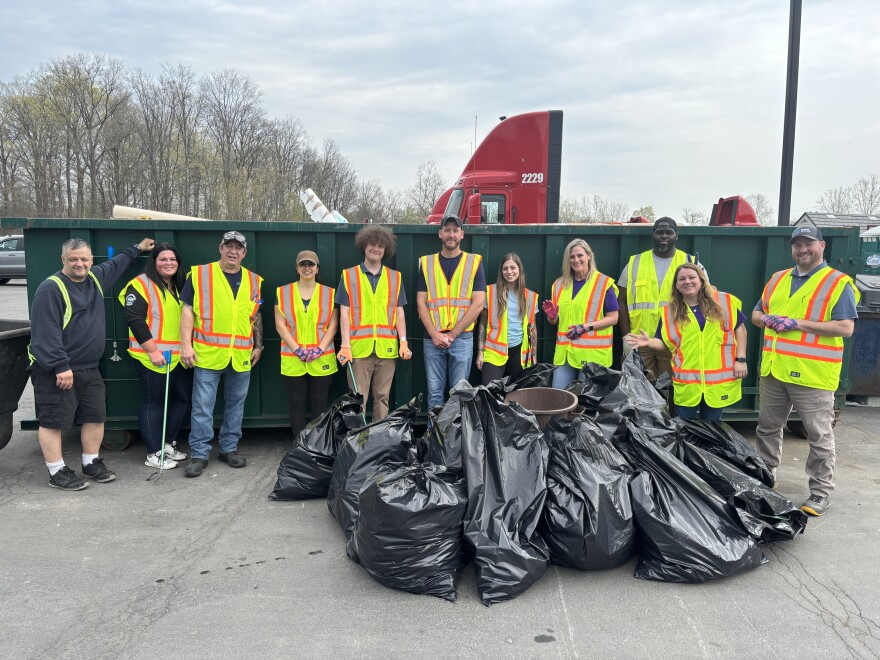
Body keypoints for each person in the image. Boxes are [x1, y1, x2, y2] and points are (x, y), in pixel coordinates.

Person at [28, 237, 155, 490]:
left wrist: (137, 248)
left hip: (89, 367)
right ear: (63, 259)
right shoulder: (50, 289)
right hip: (57, 369)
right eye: (73, 258)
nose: (79, 263)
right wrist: (60, 366)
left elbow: (117, 264)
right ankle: (57, 472)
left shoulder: (95, 278)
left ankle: (91, 463)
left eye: (84, 259)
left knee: (95, 416)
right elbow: (45, 334)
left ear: (91, 260)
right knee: (53, 420)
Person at [752, 225, 859, 517]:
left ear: (822, 246)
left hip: (812, 374)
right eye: (797, 245)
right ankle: (765, 479)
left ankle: (821, 492)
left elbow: (845, 327)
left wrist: (797, 323)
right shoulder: (777, 279)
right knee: (767, 429)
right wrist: (768, 319)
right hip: (775, 370)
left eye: (808, 244)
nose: (802, 250)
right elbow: (756, 314)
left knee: (818, 435)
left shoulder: (837, 283)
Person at [179, 231, 264, 478]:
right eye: (229, 246)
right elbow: (187, 311)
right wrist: (186, 345)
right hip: (207, 353)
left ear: (244, 253)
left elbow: (255, 315)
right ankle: (199, 454)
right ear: (221, 248)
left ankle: (228, 449)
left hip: (240, 355)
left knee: (236, 405)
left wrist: (258, 345)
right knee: (202, 406)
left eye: (238, 248)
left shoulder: (254, 280)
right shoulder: (200, 275)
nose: (233, 251)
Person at [625, 263, 748, 420]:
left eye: (692, 277)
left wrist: (741, 360)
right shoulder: (670, 311)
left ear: (701, 280)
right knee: (684, 430)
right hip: (688, 383)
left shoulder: (723, 302)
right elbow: (664, 343)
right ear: (676, 285)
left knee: (712, 430)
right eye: (681, 279)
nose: (687, 281)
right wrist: (649, 342)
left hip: (716, 383)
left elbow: (741, 330)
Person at [119, 243, 192, 469]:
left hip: (177, 356)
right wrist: (152, 351)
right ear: (154, 261)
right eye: (163, 259)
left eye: (172, 259)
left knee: (182, 400)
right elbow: (135, 320)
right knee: (154, 403)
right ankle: (153, 452)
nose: (168, 263)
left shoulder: (178, 286)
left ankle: (168, 443)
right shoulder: (140, 284)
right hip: (152, 357)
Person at [336, 226, 410, 422]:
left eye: (380, 245)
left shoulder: (395, 277)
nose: (376, 248)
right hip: (358, 350)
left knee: (383, 398)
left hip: (386, 350)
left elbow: (399, 312)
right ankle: (357, 442)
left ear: (386, 250)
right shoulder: (349, 275)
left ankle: (377, 442)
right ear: (364, 246)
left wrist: (403, 341)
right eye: (372, 244)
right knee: (357, 401)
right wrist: (345, 345)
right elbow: (344, 312)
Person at [617, 217, 704, 382]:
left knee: (671, 390)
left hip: (675, 341)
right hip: (639, 341)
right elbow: (620, 300)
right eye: (659, 232)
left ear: (676, 236)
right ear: (652, 235)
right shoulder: (635, 262)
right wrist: (626, 336)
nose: (664, 236)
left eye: (669, 232)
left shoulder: (691, 263)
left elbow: (704, 300)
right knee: (638, 390)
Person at [416, 215, 486, 409]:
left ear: (462, 234)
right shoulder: (426, 263)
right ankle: (435, 438)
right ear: (440, 234)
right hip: (432, 339)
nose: (451, 234)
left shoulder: (474, 262)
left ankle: (457, 438)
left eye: (455, 230)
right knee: (434, 394)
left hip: (462, 338)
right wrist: (435, 334)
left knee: (460, 395)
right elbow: (421, 303)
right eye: (447, 230)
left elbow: (478, 303)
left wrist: (453, 334)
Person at [275, 250, 339, 439]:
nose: (307, 268)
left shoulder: (330, 293)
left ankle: (318, 444)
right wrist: (297, 349)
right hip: (293, 357)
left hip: (322, 357)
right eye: (303, 264)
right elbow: (280, 324)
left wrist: (320, 348)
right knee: (296, 403)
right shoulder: (283, 291)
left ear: (317, 268)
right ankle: (299, 444)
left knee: (320, 402)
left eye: (311, 264)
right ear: (297, 268)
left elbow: (333, 325)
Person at [544, 239, 619, 389]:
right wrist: (552, 317)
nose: (576, 260)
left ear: (589, 256)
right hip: (565, 354)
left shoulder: (603, 283)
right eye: (572, 257)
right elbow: (556, 322)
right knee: (559, 398)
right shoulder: (559, 285)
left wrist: (585, 327)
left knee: (586, 404)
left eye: (580, 255)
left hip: (592, 357)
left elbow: (613, 318)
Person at [476, 253, 539, 386]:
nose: (509, 272)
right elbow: (482, 323)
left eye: (513, 267)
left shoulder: (531, 296)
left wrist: (534, 355)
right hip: (494, 350)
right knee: (491, 391)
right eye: (505, 268)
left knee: (516, 394)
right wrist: (480, 352)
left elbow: (532, 327)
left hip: (519, 352)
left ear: (519, 269)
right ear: (501, 271)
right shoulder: (491, 292)